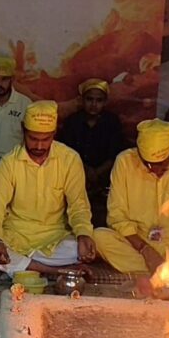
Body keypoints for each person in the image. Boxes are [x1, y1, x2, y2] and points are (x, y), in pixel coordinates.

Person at [0, 100, 96, 277]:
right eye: (33, 138)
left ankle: (22, 266)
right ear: (23, 130)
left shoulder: (70, 159)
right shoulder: (9, 162)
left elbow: (78, 206)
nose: (39, 146)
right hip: (14, 236)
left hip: (54, 238)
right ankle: (56, 270)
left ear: (54, 133)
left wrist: (83, 234)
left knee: (83, 247)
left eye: (45, 140)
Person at [94, 119, 169, 276]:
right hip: (138, 245)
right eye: (148, 164)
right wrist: (145, 250)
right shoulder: (125, 162)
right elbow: (116, 217)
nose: (154, 170)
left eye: (162, 164)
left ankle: (158, 272)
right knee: (99, 237)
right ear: (138, 152)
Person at [56, 79, 124, 227]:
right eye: (89, 99)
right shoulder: (72, 122)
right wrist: (85, 171)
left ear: (105, 102)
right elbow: (65, 152)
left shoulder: (112, 122)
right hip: (75, 178)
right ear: (82, 100)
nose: (94, 104)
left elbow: (116, 155)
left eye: (98, 100)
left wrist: (97, 173)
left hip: (104, 182)